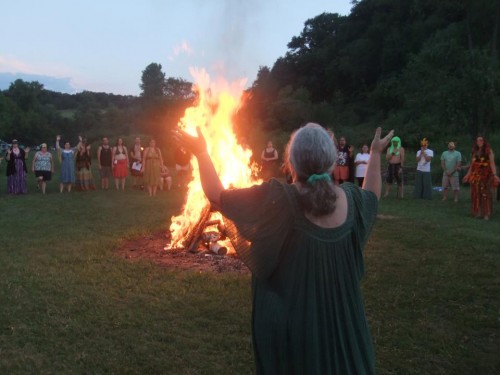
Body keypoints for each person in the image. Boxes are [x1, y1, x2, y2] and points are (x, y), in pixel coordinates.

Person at [173, 123, 394, 374]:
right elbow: (373, 195)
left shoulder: (276, 199)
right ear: (332, 162)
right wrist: (375, 154)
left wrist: (201, 152)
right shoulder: (352, 201)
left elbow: (217, 196)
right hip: (347, 338)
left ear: (291, 163)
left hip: (293, 342)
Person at [463, 136, 500, 220]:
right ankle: (479, 212)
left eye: (481, 140)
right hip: (475, 176)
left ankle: (486, 213)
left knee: (485, 194)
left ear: (484, 141)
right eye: (477, 140)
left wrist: (494, 175)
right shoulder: (475, 151)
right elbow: (472, 165)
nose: (479, 142)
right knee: (476, 194)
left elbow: (492, 163)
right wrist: (467, 175)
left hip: (486, 175)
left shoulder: (488, 151)